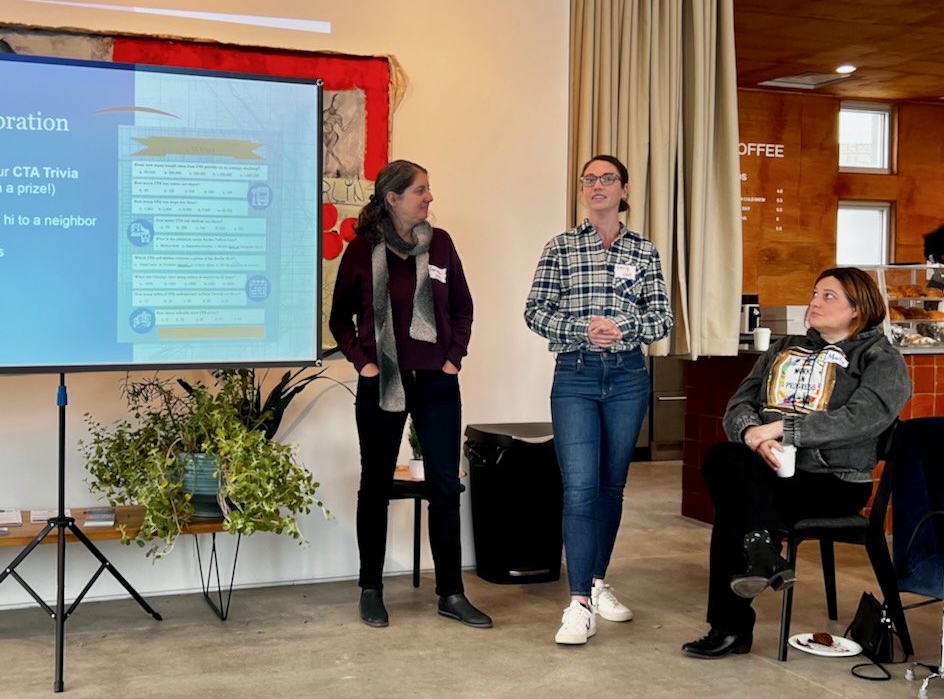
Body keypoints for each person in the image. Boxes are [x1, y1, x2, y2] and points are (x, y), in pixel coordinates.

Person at [681, 267, 911, 659]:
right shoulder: (782, 347)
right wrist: (753, 437)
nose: (814, 302)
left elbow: (860, 418)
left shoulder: (880, 359)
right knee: (725, 459)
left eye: (828, 296)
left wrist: (782, 431)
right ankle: (762, 550)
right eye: (815, 293)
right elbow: (739, 403)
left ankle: (732, 625)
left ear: (858, 309)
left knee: (739, 507)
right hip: (772, 472)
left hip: (833, 481)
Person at [329, 159, 491, 629]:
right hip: (383, 382)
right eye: (421, 190)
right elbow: (341, 319)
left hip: (438, 382)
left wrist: (452, 358)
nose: (429, 197)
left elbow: (462, 307)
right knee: (375, 485)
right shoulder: (361, 251)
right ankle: (371, 590)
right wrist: (365, 362)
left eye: (429, 189)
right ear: (393, 198)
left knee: (445, 484)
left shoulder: (440, 244)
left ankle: (451, 594)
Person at [524, 154, 674, 645]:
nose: (596, 186)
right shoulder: (561, 248)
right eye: (588, 179)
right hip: (576, 374)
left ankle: (596, 579)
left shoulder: (645, 250)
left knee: (612, 485)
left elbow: (662, 319)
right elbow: (535, 311)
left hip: (629, 376)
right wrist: (583, 330)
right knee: (580, 487)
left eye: (606, 178)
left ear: (623, 189)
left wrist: (623, 328)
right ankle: (578, 604)